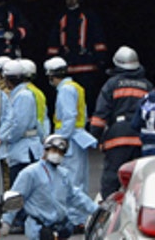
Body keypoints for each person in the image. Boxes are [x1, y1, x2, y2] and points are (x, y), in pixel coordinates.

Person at [8, 134, 99, 239]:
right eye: (54, 150)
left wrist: (96, 210)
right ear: (45, 150)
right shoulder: (30, 173)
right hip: (39, 230)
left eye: (60, 152)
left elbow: (75, 196)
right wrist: (6, 222)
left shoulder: (63, 175)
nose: (57, 154)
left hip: (59, 229)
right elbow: (15, 198)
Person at [89, 45, 151, 199]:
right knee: (137, 179)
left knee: (112, 179)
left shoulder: (112, 84)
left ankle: (108, 212)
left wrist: (94, 137)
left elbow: (100, 114)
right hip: (140, 139)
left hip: (117, 139)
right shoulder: (147, 86)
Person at [43, 56, 97, 212]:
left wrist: (59, 140)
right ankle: (80, 215)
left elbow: (69, 117)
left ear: (52, 75)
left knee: (70, 180)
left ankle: (74, 217)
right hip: (77, 137)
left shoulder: (65, 90)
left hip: (69, 139)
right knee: (79, 180)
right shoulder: (75, 87)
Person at [46, 0, 107, 115]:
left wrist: (100, 58)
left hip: (87, 66)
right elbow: (54, 40)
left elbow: (98, 36)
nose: (71, 1)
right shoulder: (61, 18)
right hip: (67, 66)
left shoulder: (89, 16)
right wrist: (52, 60)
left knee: (87, 98)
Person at [0, 59, 44, 234]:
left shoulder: (23, 96)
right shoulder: (19, 94)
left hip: (24, 149)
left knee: (20, 187)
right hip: (22, 148)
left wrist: (5, 138)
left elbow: (19, 125)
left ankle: (21, 219)